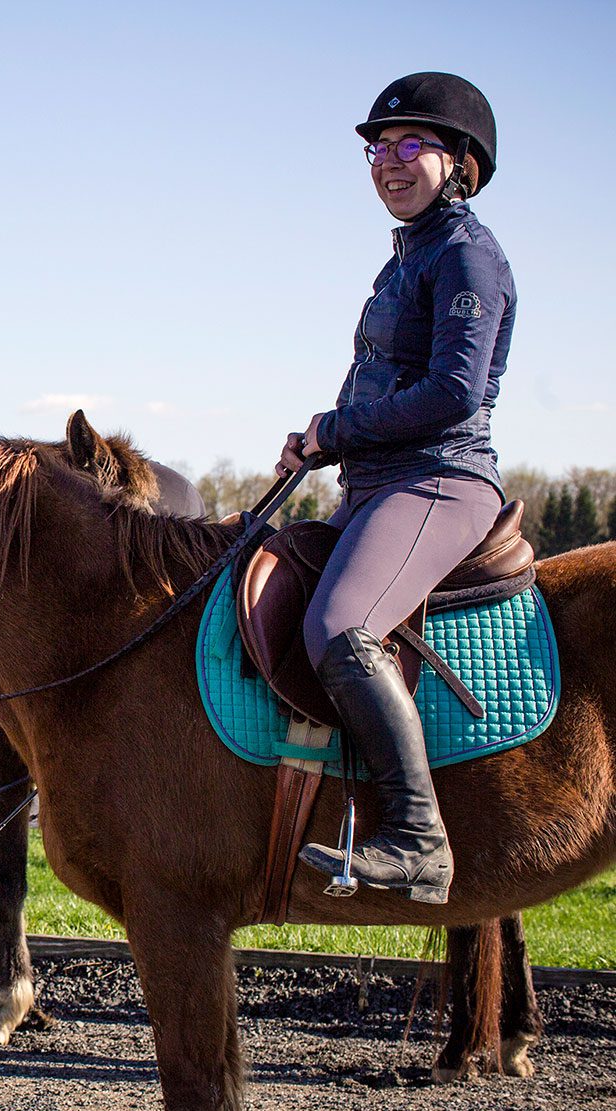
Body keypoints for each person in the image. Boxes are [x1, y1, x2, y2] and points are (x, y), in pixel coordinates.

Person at [286, 73, 514, 904]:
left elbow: (453, 393)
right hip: (377, 483)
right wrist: (320, 441)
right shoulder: (409, 257)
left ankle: (419, 838)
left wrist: (336, 429)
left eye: (412, 144)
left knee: (340, 627)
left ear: (461, 164)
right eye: (379, 148)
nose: (390, 160)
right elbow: (383, 383)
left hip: (439, 480)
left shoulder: (466, 255)